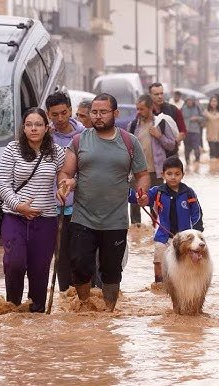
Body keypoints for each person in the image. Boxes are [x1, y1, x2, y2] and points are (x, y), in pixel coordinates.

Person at [57, 93, 150, 311]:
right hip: (83, 217)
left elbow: (143, 174)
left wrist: (142, 192)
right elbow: (66, 172)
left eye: (103, 112)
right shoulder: (79, 141)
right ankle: (84, 305)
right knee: (79, 265)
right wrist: (65, 184)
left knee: (111, 271)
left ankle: (109, 312)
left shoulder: (129, 141)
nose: (98, 117)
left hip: (115, 220)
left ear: (115, 114)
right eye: (94, 112)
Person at [0, 107, 65, 313]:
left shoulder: (57, 152)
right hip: (14, 217)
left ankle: (36, 314)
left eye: (38, 125)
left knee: (40, 270)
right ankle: (14, 308)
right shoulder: (12, 149)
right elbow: (3, 184)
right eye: (29, 125)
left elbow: (63, 177)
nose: (33, 129)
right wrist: (19, 206)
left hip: (46, 221)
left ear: (47, 128)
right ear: (23, 128)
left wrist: (63, 188)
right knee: (14, 263)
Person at [133, 156, 203, 288]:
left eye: (177, 174)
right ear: (162, 175)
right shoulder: (158, 191)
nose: (173, 177)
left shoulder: (188, 193)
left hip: (185, 238)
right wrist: (141, 198)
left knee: (188, 262)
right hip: (164, 236)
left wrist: (197, 233)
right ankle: (159, 284)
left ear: (183, 175)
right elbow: (146, 198)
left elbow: (197, 213)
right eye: (169, 174)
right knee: (159, 259)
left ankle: (186, 285)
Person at [45, 92, 85, 292]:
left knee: (81, 256)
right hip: (53, 208)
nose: (60, 119)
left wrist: (73, 182)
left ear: (70, 110)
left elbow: (89, 171)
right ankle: (65, 297)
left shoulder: (84, 136)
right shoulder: (44, 138)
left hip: (81, 207)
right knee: (60, 258)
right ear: (48, 114)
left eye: (63, 113)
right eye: (54, 115)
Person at [128, 94, 177, 226]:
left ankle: (156, 230)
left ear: (151, 108)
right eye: (137, 109)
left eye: (142, 109)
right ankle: (136, 233)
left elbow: (172, 145)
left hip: (156, 171)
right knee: (134, 203)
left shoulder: (161, 123)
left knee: (156, 203)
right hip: (137, 171)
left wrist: (159, 136)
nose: (138, 112)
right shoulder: (132, 126)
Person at [204, 96, 219, 171]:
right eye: (212, 101)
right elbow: (203, 123)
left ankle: (217, 171)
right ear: (210, 103)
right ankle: (212, 172)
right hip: (210, 136)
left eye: (215, 101)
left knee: (218, 156)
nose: (214, 103)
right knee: (212, 154)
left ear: (217, 103)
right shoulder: (206, 112)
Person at [181, 96, 204, 165]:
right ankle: (187, 163)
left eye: (191, 101)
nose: (189, 102)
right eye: (188, 101)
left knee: (196, 147)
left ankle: (197, 162)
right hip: (186, 131)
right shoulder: (183, 109)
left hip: (196, 131)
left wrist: (197, 118)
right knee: (187, 148)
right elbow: (179, 120)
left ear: (193, 101)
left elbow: (203, 118)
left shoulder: (197, 108)